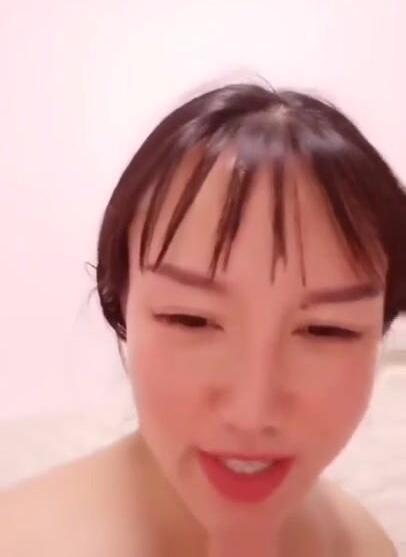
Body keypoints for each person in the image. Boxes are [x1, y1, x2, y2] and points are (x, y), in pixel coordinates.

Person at [1, 80, 403, 556]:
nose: (251, 414)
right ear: (120, 307)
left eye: (326, 329)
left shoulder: (363, 545)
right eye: (190, 320)